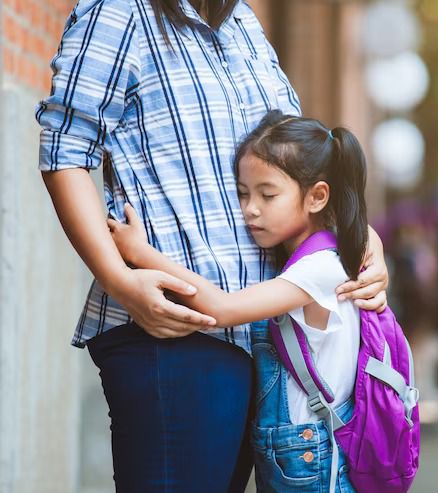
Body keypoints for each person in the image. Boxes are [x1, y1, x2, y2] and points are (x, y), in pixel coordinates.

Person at [37, 2, 388, 491]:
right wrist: (122, 279)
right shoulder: (120, 11)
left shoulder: (243, 23)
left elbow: (302, 165)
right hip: (171, 329)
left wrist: (364, 243)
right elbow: (65, 150)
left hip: (260, 338)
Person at [108, 110, 368, 492]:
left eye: (268, 194)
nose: (251, 209)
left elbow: (221, 309)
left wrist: (141, 252)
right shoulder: (311, 260)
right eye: (244, 193)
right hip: (296, 452)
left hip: (310, 457)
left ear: (316, 197)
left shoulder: (321, 268)